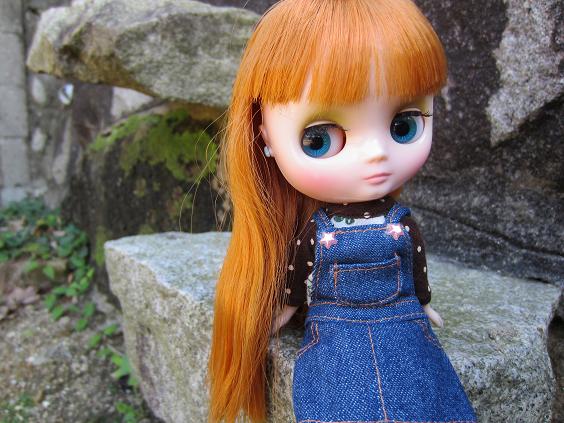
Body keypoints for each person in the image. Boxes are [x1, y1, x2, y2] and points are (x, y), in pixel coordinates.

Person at [208, 1, 477, 422]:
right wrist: (288, 306)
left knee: (425, 393)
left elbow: (415, 262)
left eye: (403, 125)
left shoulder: (400, 222)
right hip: (335, 325)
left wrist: (423, 303)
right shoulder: (317, 230)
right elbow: (299, 271)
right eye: (319, 138)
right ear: (266, 137)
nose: (376, 154)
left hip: (402, 321)